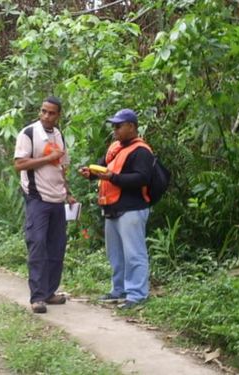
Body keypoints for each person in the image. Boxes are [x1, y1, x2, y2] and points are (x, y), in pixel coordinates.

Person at [79, 109, 153, 309]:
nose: (115, 130)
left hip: (132, 208)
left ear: (131, 127)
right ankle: (118, 290)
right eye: (114, 126)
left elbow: (142, 178)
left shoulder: (141, 151)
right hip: (112, 208)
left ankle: (137, 295)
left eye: (119, 126)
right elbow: (104, 169)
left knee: (134, 253)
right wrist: (91, 173)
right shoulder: (115, 148)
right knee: (116, 254)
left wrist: (113, 178)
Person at [14, 96, 76, 314]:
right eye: (44, 111)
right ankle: (37, 297)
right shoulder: (29, 133)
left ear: (59, 115)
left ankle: (50, 292)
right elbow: (19, 164)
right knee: (38, 244)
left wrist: (68, 193)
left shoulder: (59, 136)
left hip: (58, 200)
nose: (47, 116)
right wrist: (47, 159)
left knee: (56, 247)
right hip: (37, 199)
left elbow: (62, 167)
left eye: (52, 113)